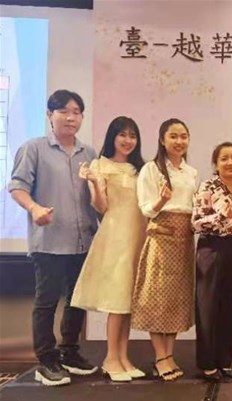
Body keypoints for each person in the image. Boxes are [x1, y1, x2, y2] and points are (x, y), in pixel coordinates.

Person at [8, 89, 98, 386]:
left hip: (83, 239)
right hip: (49, 241)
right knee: (46, 302)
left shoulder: (89, 154)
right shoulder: (34, 148)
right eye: (64, 111)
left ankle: (69, 351)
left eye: (76, 112)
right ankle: (46, 360)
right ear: (50, 114)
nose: (71, 117)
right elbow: (17, 187)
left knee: (77, 299)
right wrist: (34, 208)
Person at [71, 116, 146, 382]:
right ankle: (111, 358)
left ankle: (123, 357)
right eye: (122, 134)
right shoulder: (99, 164)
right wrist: (93, 181)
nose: (128, 140)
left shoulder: (141, 169)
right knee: (117, 299)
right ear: (112, 136)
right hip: (116, 237)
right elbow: (101, 207)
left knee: (127, 302)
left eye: (133, 135)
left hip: (139, 237)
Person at [131, 118, 197, 382]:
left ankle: (169, 354)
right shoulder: (151, 169)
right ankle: (160, 357)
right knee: (157, 297)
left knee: (177, 299)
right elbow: (146, 209)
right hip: (161, 236)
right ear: (162, 139)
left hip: (185, 238)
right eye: (173, 136)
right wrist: (161, 200)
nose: (179, 141)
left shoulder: (191, 172)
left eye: (183, 136)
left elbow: (193, 207)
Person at [192, 142, 232, 382]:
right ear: (216, 163)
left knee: (230, 307)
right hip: (212, 248)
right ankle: (207, 363)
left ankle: (225, 361)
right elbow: (196, 223)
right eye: (224, 159)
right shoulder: (207, 187)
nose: (230, 163)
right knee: (208, 307)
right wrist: (221, 216)